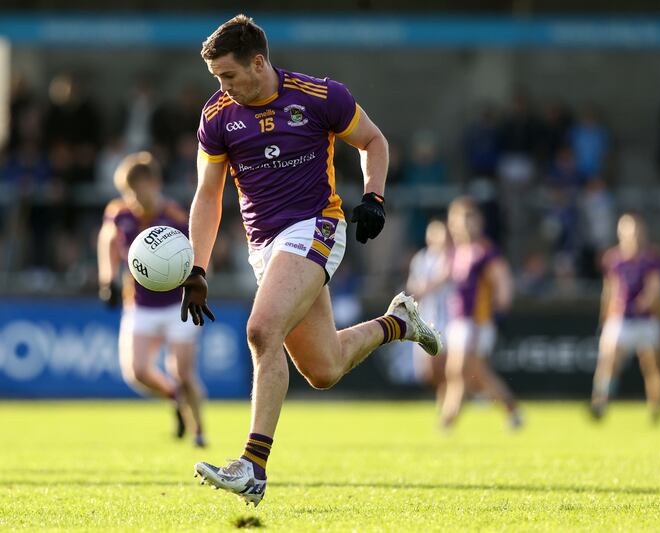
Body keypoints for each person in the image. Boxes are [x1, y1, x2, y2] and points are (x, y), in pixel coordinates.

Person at [186, 15, 442, 507]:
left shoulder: (320, 96)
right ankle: (399, 323)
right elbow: (207, 195)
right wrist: (197, 268)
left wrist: (374, 198)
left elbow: (375, 141)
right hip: (265, 247)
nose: (223, 87)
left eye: (229, 76)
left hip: (317, 226)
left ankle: (252, 467)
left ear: (258, 62)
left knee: (262, 331)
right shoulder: (217, 116)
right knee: (323, 369)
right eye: (218, 78)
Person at [96, 151, 205, 446]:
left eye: (138, 189)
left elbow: (196, 252)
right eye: (128, 191)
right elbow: (107, 239)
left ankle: (199, 431)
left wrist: (197, 285)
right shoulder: (119, 213)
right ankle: (175, 399)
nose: (133, 197)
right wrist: (107, 279)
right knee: (137, 372)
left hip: (176, 306)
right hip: (140, 305)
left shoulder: (174, 218)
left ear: (154, 184)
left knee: (182, 371)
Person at [439, 197, 521, 430]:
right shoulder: (456, 252)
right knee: (470, 372)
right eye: (459, 219)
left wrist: (502, 301)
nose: (464, 224)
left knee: (460, 370)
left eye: (469, 218)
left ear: (479, 222)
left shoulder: (485, 251)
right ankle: (512, 410)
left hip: (477, 320)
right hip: (458, 319)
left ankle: (448, 419)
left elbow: (503, 280)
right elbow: (444, 278)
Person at [591, 214, 660, 423]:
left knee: (652, 366)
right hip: (621, 318)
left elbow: (655, 289)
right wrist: (605, 317)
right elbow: (610, 290)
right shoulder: (613, 259)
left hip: (646, 320)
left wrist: (644, 303)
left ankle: (656, 407)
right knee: (608, 360)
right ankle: (600, 402)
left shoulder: (652, 258)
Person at [406, 219, 452, 408]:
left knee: (445, 365)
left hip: (448, 318)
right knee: (427, 371)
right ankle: (451, 397)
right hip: (427, 317)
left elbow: (445, 278)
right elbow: (412, 287)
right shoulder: (421, 258)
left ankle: (449, 403)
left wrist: (429, 286)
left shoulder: (452, 257)